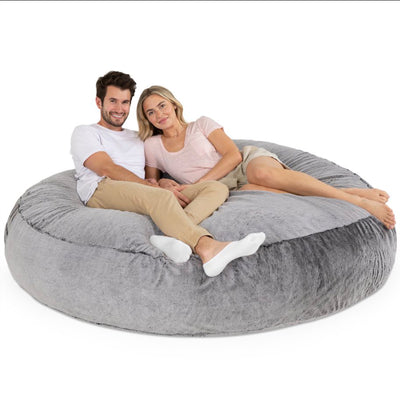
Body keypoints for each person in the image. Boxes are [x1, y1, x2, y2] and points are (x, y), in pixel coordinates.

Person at [70, 71, 266, 277]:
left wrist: (161, 183)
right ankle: (207, 248)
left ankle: (173, 238)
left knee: (216, 188)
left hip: (142, 192)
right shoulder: (85, 132)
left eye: (125, 102)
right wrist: (153, 188)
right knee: (161, 197)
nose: (119, 109)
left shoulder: (138, 138)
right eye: (112, 101)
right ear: (99, 102)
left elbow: (151, 176)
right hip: (102, 188)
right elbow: (106, 168)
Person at [137, 85, 396, 230]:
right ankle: (342, 191)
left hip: (245, 164)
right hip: (224, 188)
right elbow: (151, 182)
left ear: (174, 104)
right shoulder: (153, 146)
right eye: (151, 112)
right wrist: (164, 183)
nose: (159, 114)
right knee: (257, 191)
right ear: (147, 119)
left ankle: (356, 201)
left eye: (162, 105)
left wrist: (199, 183)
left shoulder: (201, 124)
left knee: (261, 174)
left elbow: (233, 155)